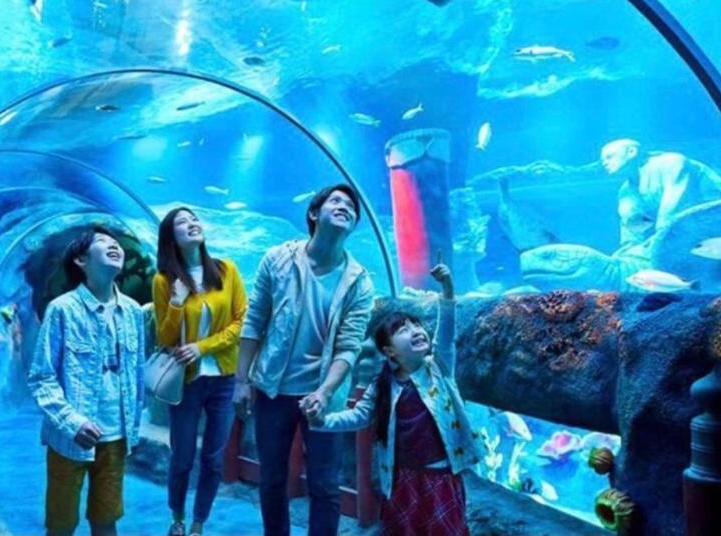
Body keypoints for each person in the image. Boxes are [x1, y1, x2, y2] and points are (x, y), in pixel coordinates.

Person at [234, 184, 376, 536]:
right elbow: (254, 320)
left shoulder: (359, 282)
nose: (345, 207)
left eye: (351, 207)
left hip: (325, 397)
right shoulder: (277, 259)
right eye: (336, 201)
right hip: (273, 389)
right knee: (272, 478)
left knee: (325, 484)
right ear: (314, 214)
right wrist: (241, 381)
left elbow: (349, 347)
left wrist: (325, 393)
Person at [309, 257, 483, 536]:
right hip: (401, 480)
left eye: (416, 326)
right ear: (389, 351)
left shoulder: (438, 368)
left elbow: (447, 333)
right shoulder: (382, 385)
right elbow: (358, 416)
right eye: (403, 330)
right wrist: (322, 421)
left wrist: (448, 290)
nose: (415, 331)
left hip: (440, 475)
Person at [27, 227, 146, 536]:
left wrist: (132, 428)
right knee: (61, 524)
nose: (114, 245)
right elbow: (41, 376)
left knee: (107, 520)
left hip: (116, 434)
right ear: (81, 260)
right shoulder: (62, 309)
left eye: (117, 243)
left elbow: (137, 374)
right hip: (69, 437)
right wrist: (73, 422)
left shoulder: (133, 312)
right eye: (103, 242)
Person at [152, 208, 248, 536]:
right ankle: (177, 517)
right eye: (183, 222)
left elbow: (241, 322)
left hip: (223, 380)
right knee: (181, 457)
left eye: (194, 219)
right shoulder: (163, 280)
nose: (192, 223)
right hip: (186, 382)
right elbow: (165, 338)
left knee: (213, 458)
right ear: (171, 237)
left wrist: (202, 347)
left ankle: (198, 524)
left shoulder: (226, 270)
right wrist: (177, 302)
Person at [599, 139, 721, 249]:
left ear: (631, 152)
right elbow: (631, 222)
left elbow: (674, 203)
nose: (604, 163)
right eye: (603, 160)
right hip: (683, 234)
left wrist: (660, 236)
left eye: (609, 157)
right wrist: (629, 250)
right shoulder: (626, 190)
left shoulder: (672, 162)